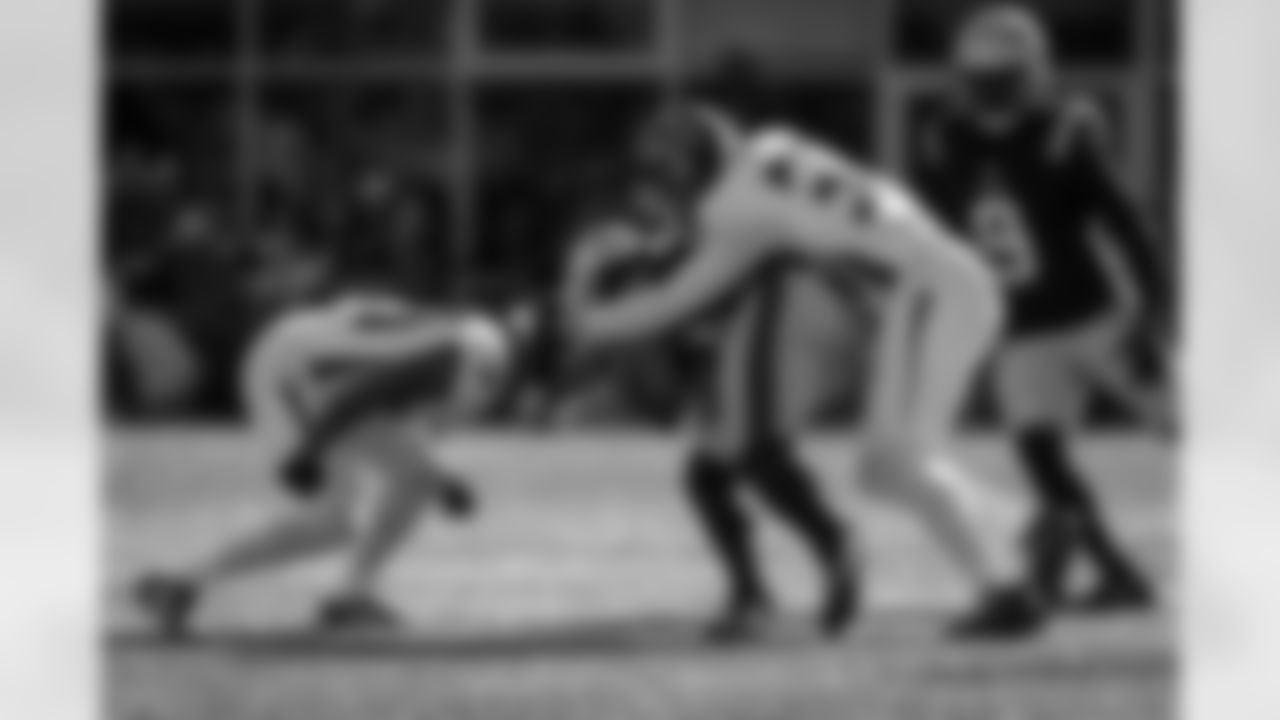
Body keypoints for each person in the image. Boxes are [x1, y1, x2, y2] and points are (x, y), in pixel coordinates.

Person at [565, 101, 1044, 640]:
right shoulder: (772, 148)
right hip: (938, 280)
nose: (672, 188)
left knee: (894, 460)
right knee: (888, 467)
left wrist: (589, 320)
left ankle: (1010, 584)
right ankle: (1024, 541)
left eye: (672, 172)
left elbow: (679, 296)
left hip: (921, 287)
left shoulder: (733, 208)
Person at [913, 4, 1168, 611]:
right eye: (989, 82)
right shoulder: (949, 139)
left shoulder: (1057, 129)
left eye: (998, 81)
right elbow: (940, 243)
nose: (994, 93)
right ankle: (1117, 574)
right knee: (1040, 456)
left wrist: (1152, 314)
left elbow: (1125, 222)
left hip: (1098, 317)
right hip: (1026, 331)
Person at [131, 281, 511, 637]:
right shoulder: (457, 359)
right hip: (289, 371)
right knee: (333, 520)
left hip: (326, 378)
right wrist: (310, 451)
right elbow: (362, 398)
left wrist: (439, 478)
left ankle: (353, 596)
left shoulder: (466, 339)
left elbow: (376, 384)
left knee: (418, 477)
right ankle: (182, 582)